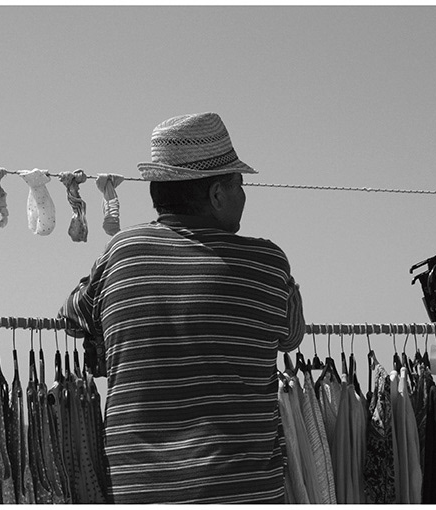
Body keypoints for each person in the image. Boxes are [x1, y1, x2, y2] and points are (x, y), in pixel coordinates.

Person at [59, 112, 305, 503]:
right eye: (239, 185)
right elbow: (291, 336)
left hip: (143, 492)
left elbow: (73, 316)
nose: (244, 197)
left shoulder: (123, 253)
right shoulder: (267, 263)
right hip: (244, 492)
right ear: (217, 195)